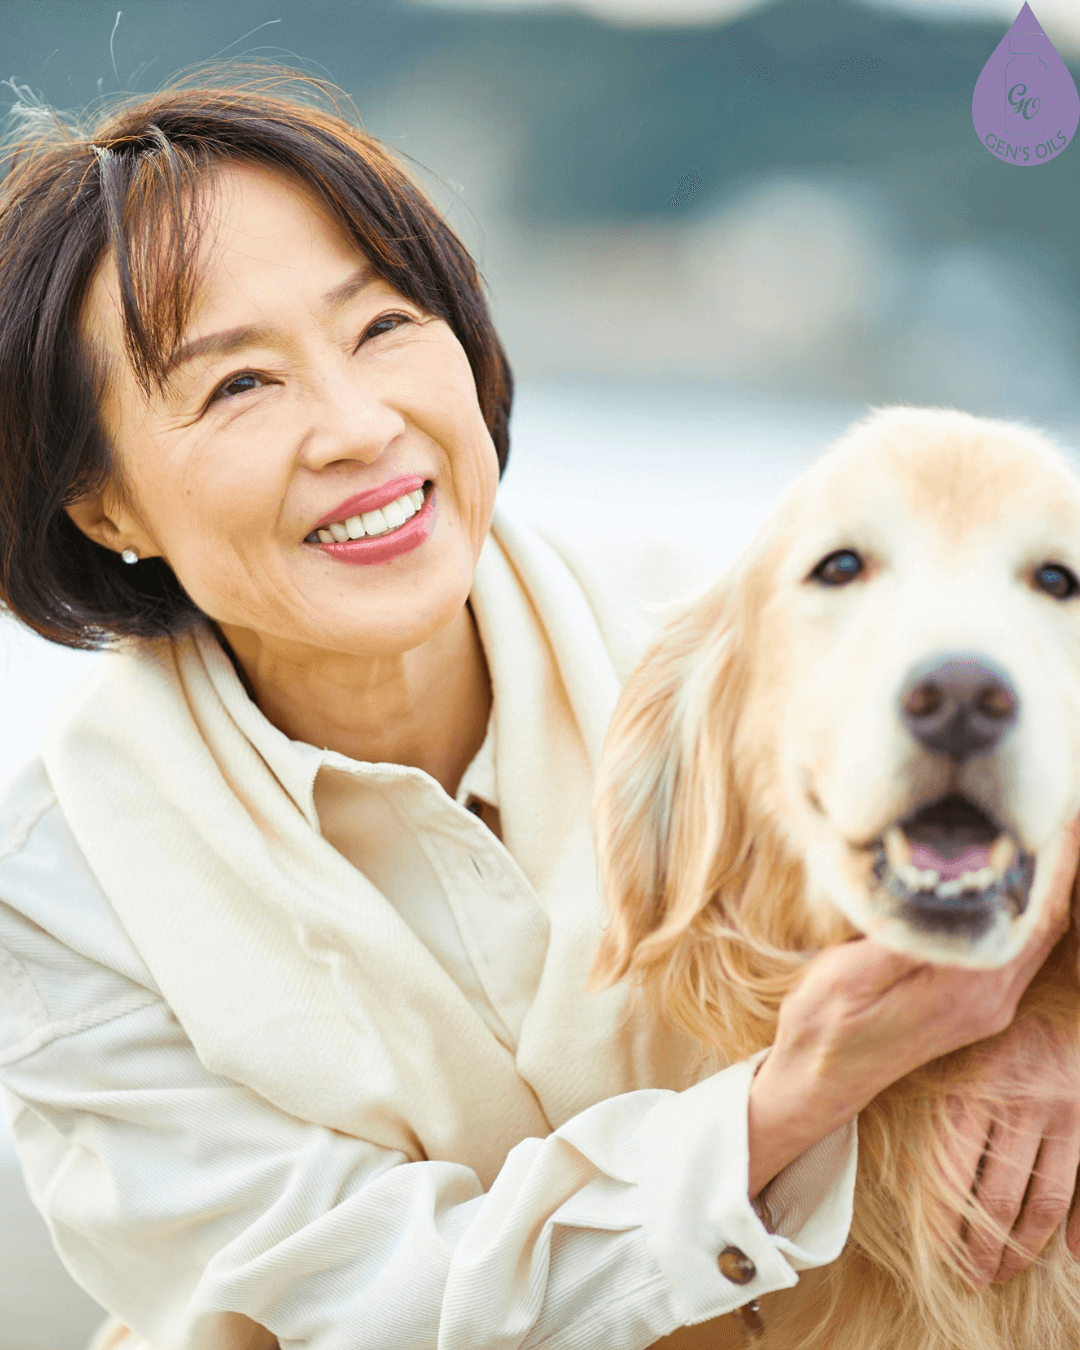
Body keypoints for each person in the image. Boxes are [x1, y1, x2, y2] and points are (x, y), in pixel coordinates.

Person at [0, 69, 1078, 1350]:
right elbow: (366, 1304)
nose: (356, 425)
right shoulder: (62, 886)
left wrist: (1035, 1012)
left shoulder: (732, 653)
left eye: (383, 326)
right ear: (102, 504)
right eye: (238, 385)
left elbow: (999, 779)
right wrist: (789, 1105)